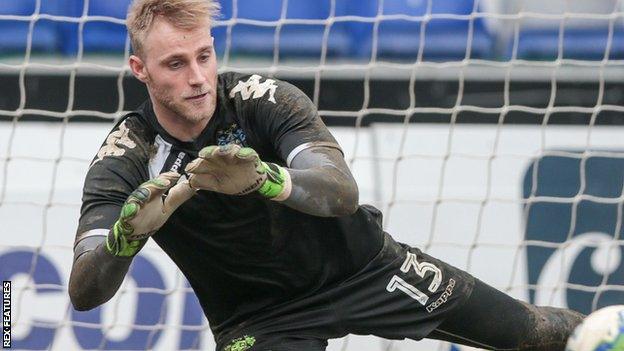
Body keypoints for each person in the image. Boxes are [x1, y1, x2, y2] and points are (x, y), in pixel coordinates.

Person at [68, 0, 585, 350]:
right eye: (175, 64)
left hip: (365, 269)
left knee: (532, 333)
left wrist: (265, 180)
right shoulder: (127, 157)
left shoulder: (263, 99)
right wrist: (125, 238)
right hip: (259, 320)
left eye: (204, 55)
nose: (198, 78)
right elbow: (84, 291)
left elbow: (341, 192)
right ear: (140, 70)